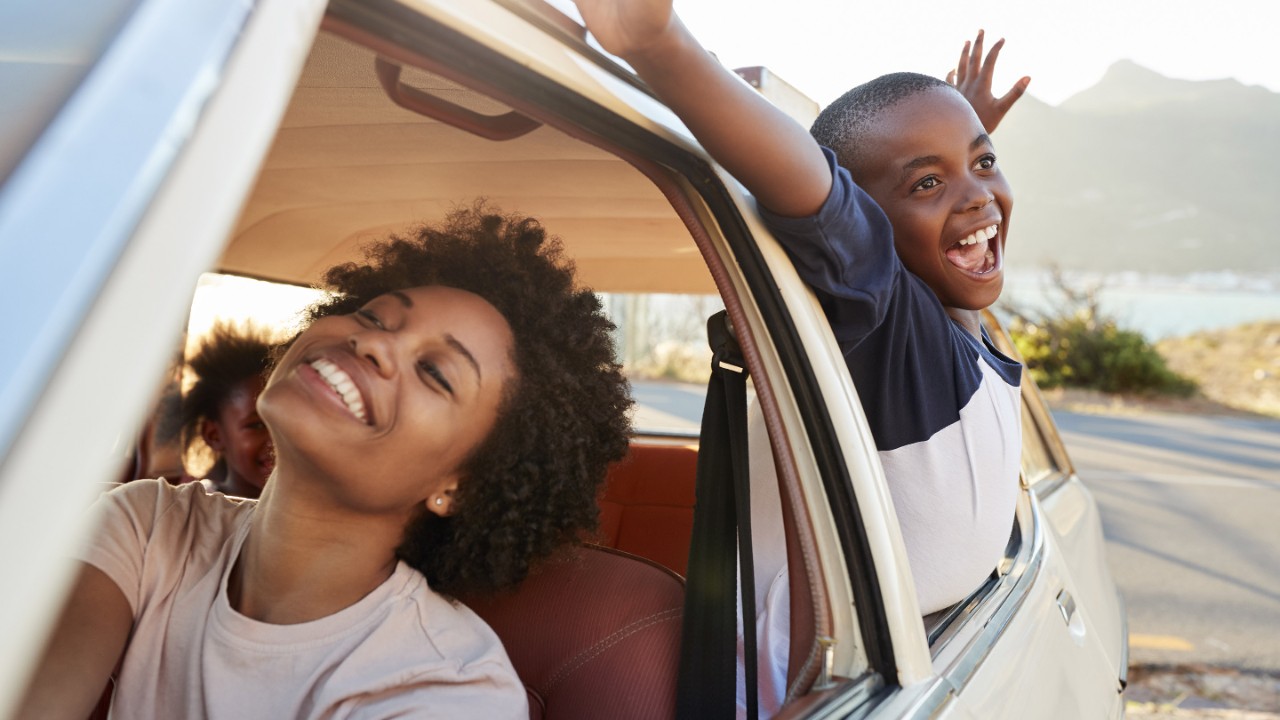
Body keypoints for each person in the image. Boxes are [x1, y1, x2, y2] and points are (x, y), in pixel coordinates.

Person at [574, 1, 1028, 714]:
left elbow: (936, 239)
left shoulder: (944, 316)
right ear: (866, 224)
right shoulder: (888, 334)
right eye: (928, 183)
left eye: (985, 162)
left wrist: (946, 152)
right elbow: (830, 211)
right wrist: (662, 49)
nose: (980, 197)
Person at [18, 205, 633, 719]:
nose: (372, 341)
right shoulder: (151, 523)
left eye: (434, 372)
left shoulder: (447, 691)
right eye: (373, 316)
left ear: (462, 486)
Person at [181, 323, 276, 497]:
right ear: (214, 435)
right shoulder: (195, 509)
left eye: (283, 423)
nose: (277, 440)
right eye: (256, 426)